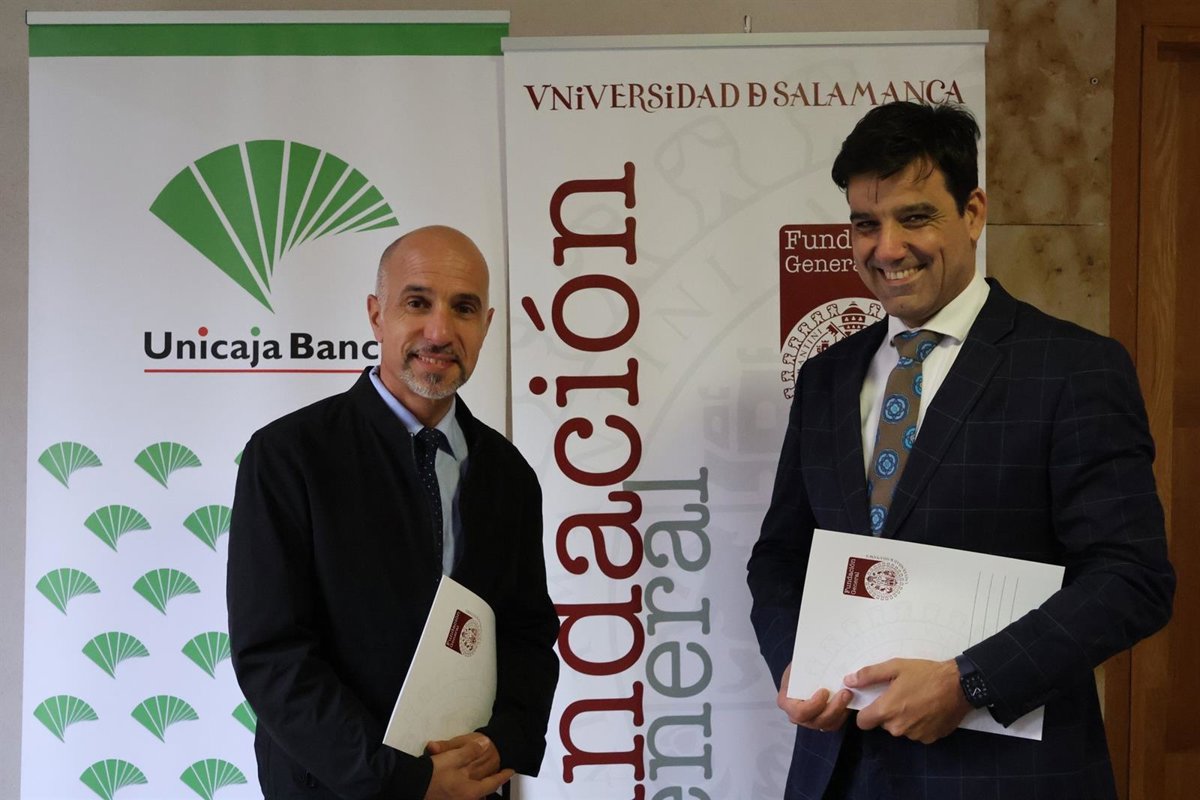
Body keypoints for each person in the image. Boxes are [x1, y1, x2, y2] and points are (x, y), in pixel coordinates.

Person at [746, 102, 1175, 799]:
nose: (887, 248)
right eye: (865, 223)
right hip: (838, 773)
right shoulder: (826, 377)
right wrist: (795, 660)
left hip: (1007, 779)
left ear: (973, 213)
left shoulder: (1072, 368)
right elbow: (780, 556)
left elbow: (1132, 578)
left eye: (914, 217)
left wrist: (969, 683)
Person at [228, 225, 560, 800]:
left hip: (470, 788)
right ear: (376, 315)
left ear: (486, 325)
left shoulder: (509, 475)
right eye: (417, 303)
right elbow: (273, 655)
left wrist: (502, 741)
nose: (440, 331)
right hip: (334, 789)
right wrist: (404, 781)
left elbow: (527, 633)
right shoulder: (288, 457)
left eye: (463, 308)